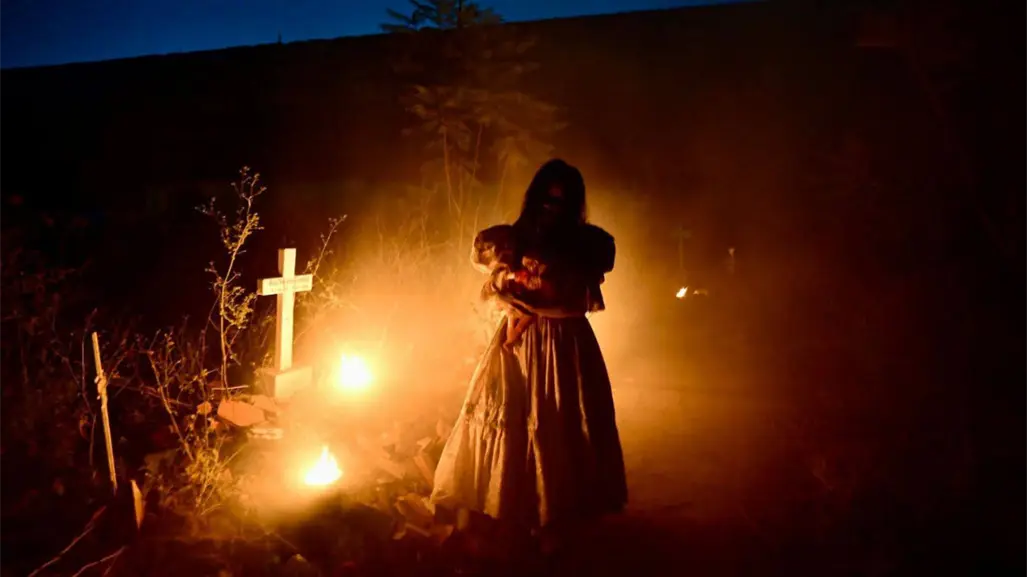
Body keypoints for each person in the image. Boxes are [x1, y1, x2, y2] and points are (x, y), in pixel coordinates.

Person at [431, 159, 628, 559]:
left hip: (566, 346)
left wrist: (538, 293)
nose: (552, 209)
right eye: (545, 201)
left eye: (561, 203)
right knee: (515, 424)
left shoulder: (587, 245)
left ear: (572, 206)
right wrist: (514, 296)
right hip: (518, 346)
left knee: (559, 424)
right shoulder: (510, 240)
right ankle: (514, 513)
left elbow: (568, 291)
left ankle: (558, 519)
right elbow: (497, 280)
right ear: (534, 199)